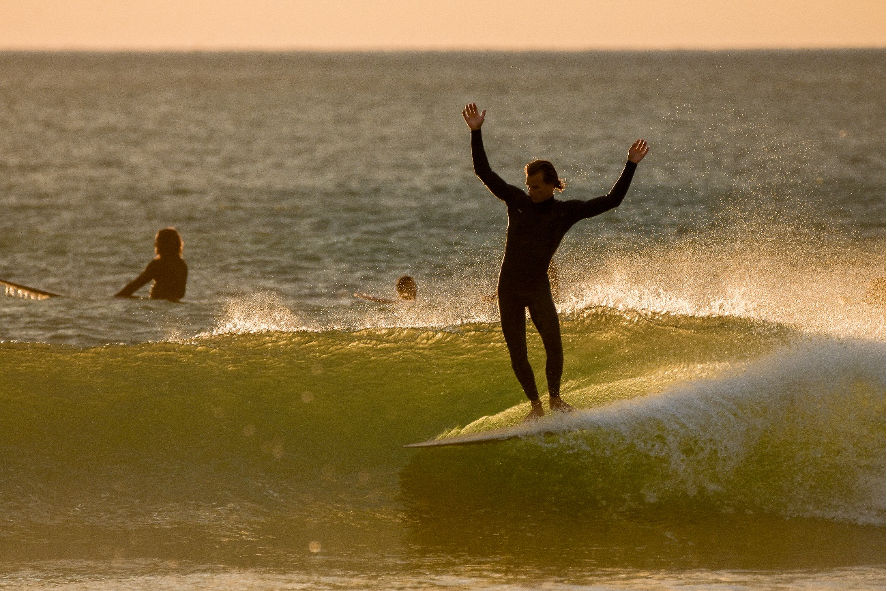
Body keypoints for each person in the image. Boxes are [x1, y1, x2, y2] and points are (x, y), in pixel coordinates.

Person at [462, 102, 649, 420]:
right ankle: (535, 406)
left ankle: (555, 400)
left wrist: (630, 164)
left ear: (552, 184)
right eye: (528, 185)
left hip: (537, 288)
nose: (530, 191)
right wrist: (476, 131)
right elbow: (484, 172)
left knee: (554, 346)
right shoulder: (517, 202)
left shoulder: (565, 212)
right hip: (509, 288)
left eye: (536, 186)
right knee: (517, 353)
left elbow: (612, 201)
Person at [114, 227, 188, 302]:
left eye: (157, 242)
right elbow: (181, 293)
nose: (155, 244)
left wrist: (116, 297)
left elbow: (136, 285)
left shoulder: (158, 264)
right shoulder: (181, 265)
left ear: (161, 244)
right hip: (175, 304)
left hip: (156, 302)